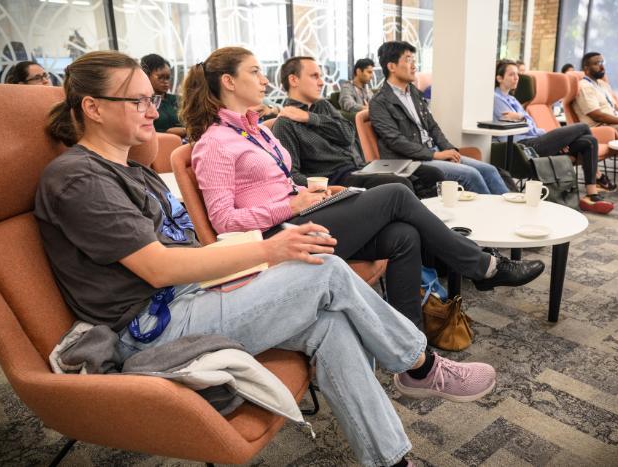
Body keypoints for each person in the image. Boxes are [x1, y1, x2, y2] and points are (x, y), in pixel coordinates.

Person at [36, 49, 500, 467]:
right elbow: (157, 267)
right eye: (136, 101)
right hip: (152, 327)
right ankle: (418, 365)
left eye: (149, 98)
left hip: (189, 296)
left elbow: (184, 250)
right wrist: (268, 249)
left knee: (330, 323)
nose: (153, 110)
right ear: (92, 108)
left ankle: (391, 460)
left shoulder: (132, 169)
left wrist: (250, 262)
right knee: (325, 271)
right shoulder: (78, 179)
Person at [181, 46, 545, 328]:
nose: (264, 80)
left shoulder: (256, 130)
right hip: (279, 236)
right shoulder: (214, 144)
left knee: (404, 235)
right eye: (255, 72)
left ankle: (413, 342)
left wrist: (313, 194)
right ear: (228, 81)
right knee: (397, 192)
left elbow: (282, 181)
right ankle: (482, 267)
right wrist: (291, 206)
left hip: (304, 213)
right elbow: (225, 222)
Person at [272, 55, 444, 197]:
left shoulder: (322, 107)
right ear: (294, 80)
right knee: (402, 184)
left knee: (433, 175)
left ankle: (431, 221)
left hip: (359, 168)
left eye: (321, 76)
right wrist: (326, 188)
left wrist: (310, 117)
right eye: (314, 76)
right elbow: (291, 175)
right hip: (336, 178)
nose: (322, 82)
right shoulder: (284, 124)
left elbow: (348, 135)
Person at [369, 41, 509, 195]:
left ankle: (510, 214)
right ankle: (487, 217)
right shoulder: (379, 102)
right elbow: (396, 141)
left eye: (414, 61)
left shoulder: (414, 93)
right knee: (471, 175)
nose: (414, 66)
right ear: (392, 67)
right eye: (408, 60)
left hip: (433, 153)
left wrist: (449, 150)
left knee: (489, 170)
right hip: (411, 161)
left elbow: (432, 127)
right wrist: (436, 155)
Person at [493, 59, 615, 214]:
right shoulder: (496, 99)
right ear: (499, 78)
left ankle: (591, 194)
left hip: (534, 139)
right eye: (511, 75)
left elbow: (530, 125)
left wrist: (558, 140)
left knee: (588, 141)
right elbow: (521, 127)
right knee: (583, 127)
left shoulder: (512, 99)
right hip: (523, 146)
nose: (516, 78)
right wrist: (524, 119)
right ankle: (597, 176)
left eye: (517, 74)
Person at [140, 53, 186, 138]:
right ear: (146, 75)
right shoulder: (141, 103)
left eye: (168, 78)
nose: (165, 81)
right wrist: (168, 132)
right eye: (160, 77)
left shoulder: (177, 100)